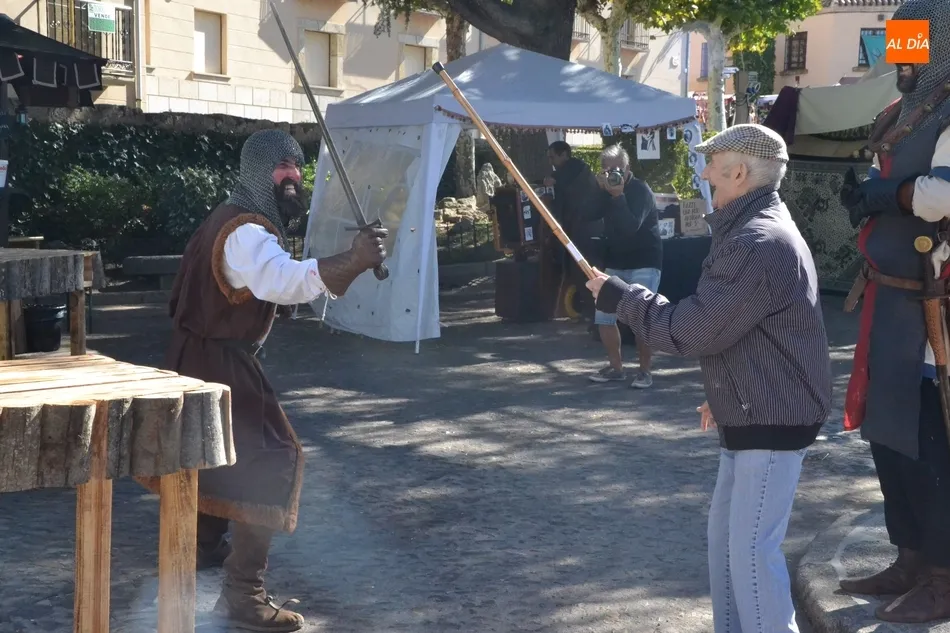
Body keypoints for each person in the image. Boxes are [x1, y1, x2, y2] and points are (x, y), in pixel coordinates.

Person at [136, 129, 388, 632]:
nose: (293, 175)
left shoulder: (226, 216)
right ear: (258, 171)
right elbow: (282, 280)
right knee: (271, 459)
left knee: (207, 453)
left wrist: (348, 263)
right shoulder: (245, 230)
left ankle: (200, 548)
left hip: (195, 356)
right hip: (217, 361)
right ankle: (243, 594)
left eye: (297, 166)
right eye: (282, 167)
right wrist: (355, 260)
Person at [586, 124, 831, 633]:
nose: (702, 174)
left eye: (712, 166)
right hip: (755, 411)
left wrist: (621, 296)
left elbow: (694, 330)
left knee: (750, 555)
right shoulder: (754, 230)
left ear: (739, 173)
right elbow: (741, 331)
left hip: (771, 419)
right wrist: (724, 393)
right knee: (729, 548)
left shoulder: (757, 241)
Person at [836, 0, 950, 622]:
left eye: (911, 45)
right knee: (889, 435)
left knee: (930, 441)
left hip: (935, 310)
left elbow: (945, 195)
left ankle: (943, 574)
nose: (900, 58)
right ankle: (909, 556)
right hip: (889, 301)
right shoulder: (902, 113)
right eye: (896, 43)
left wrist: (892, 195)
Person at [585, 144, 662, 389]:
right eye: (605, 170)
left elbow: (630, 227)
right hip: (616, 260)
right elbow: (587, 214)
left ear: (627, 168)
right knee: (604, 316)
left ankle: (645, 371)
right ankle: (616, 368)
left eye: (615, 169)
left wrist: (618, 195)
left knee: (642, 317)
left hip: (644, 260)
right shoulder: (606, 189)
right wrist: (599, 191)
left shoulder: (641, 190)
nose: (611, 175)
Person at [543, 141, 603, 321]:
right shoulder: (562, 174)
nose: (551, 161)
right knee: (575, 271)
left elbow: (572, 191)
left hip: (586, 229)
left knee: (586, 270)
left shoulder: (579, 169)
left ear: (564, 155)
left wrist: (555, 182)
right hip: (573, 230)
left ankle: (595, 312)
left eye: (553, 157)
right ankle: (587, 310)